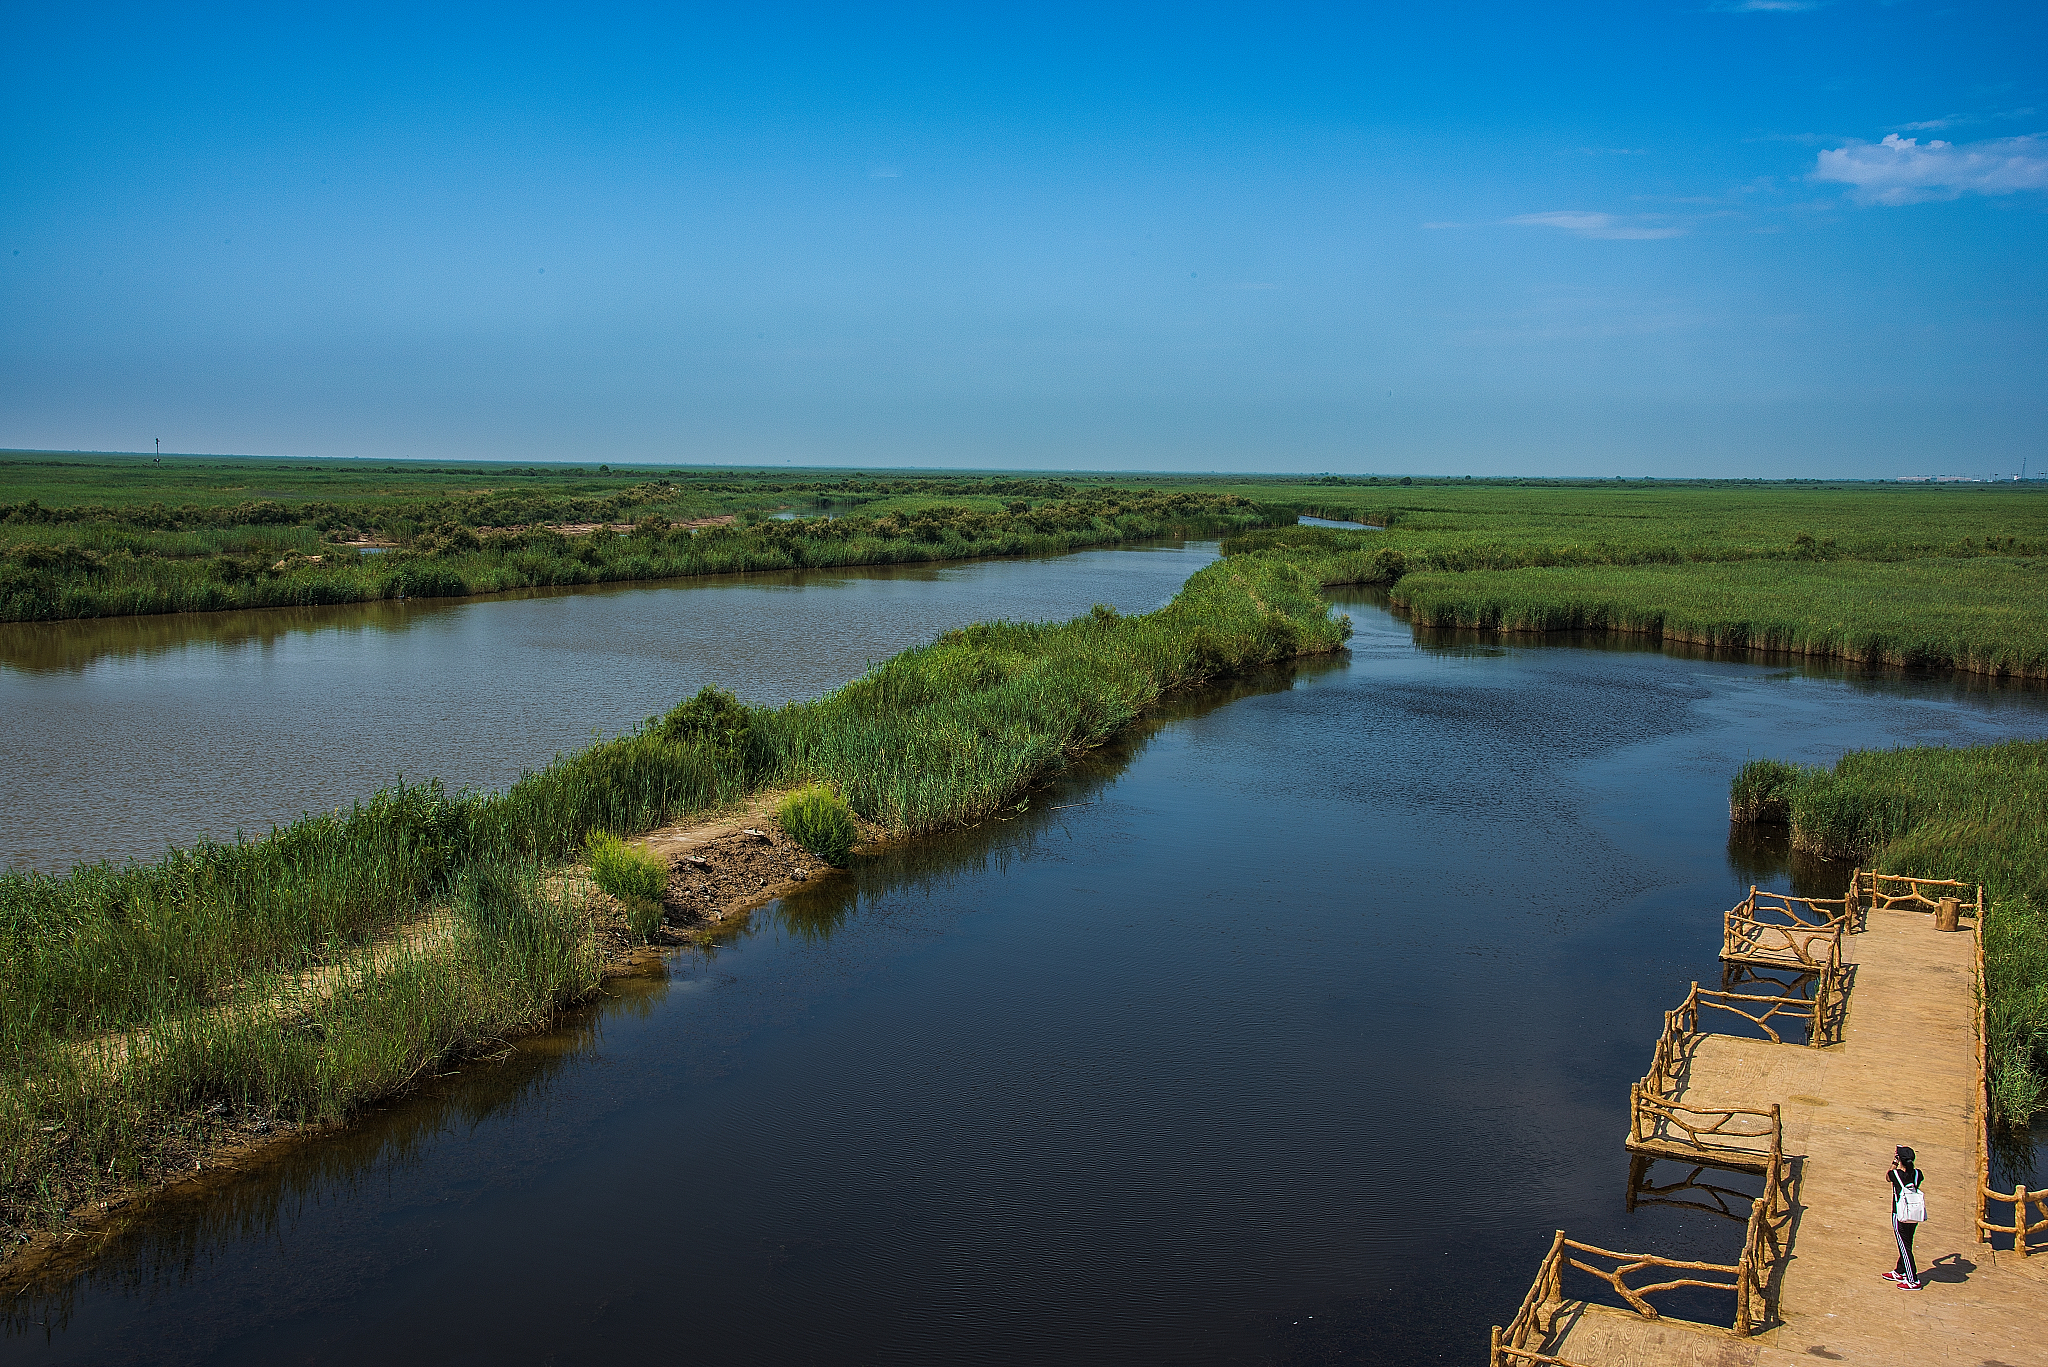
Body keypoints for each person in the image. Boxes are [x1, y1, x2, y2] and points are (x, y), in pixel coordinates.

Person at [1885, 1145, 1926, 1289]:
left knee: (1904, 1247)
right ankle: (1900, 1271)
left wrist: (1894, 1162)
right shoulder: (1917, 1174)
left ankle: (1912, 1279)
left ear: (1900, 1160)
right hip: (1914, 1215)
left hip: (1900, 1215)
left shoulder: (1896, 1175)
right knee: (1908, 1242)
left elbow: (1887, 1175)